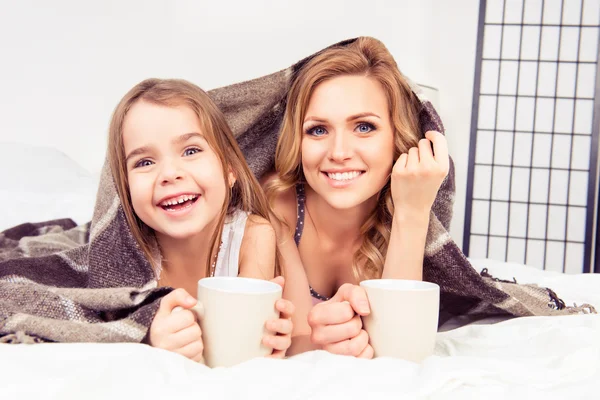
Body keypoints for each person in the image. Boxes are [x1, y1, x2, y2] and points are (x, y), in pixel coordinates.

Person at [265, 37, 449, 357]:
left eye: (364, 127)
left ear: (398, 137)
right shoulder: (275, 209)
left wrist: (413, 212)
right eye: (318, 130)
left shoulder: (407, 203)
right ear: (297, 138)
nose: (339, 153)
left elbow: (400, 350)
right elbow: (293, 345)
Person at [108, 78, 294, 361]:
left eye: (191, 151)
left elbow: (241, 347)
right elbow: (103, 322)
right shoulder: (125, 252)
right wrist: (147, 335)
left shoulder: (253, 235)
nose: (170, 173)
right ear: (125, 188)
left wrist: (264, 342)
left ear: (229, 169)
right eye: (144, 162)